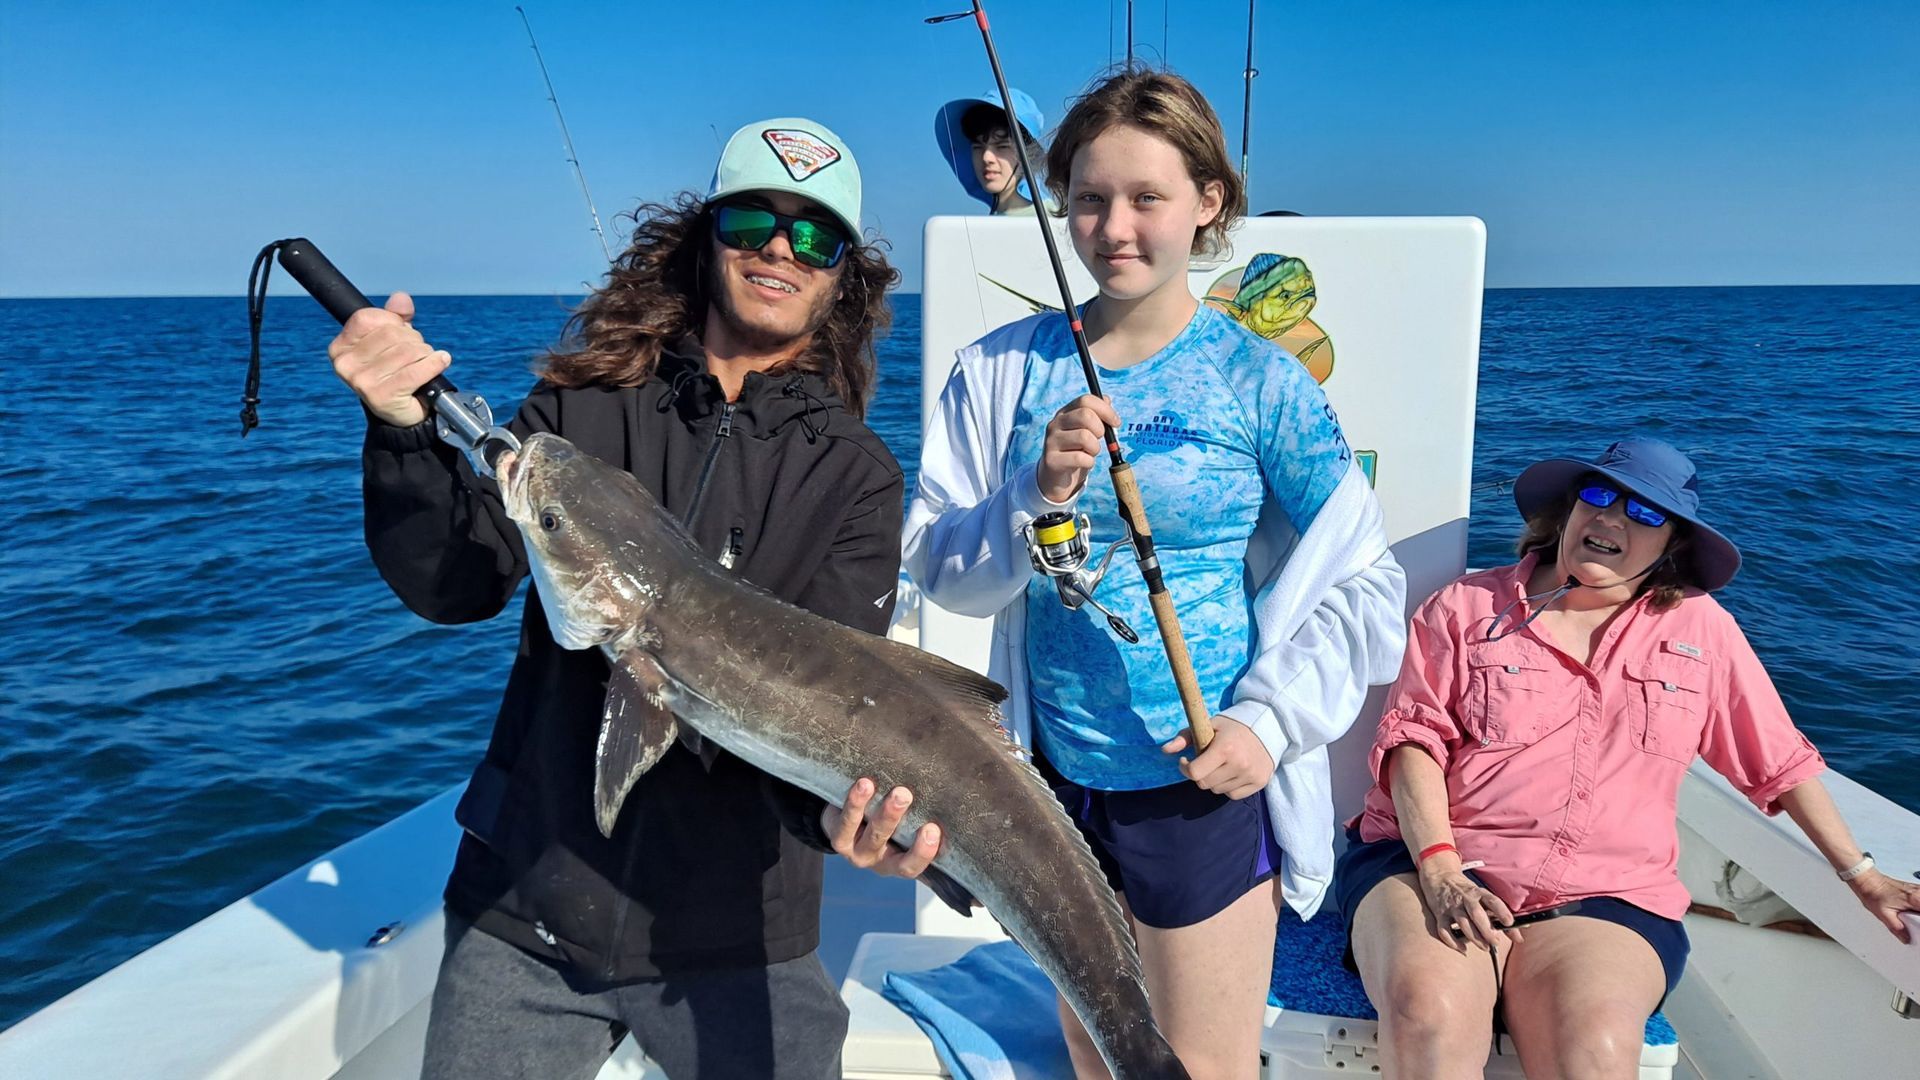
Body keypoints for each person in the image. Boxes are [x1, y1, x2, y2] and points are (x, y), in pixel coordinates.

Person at [327, 117, 942, 1080]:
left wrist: (838, 815)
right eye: (752, 222)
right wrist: (403, 436)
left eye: (814, 237)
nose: (780, 250)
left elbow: (835, 699)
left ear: (841, 276)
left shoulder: (855, 476)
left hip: (744, 931)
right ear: (707, 237)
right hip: (527, 907)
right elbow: (456, 585)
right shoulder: (577, 409)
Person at [904, 70, 1408, 1080]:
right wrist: (1030, 495)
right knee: (1094, 1052)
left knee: (1198, 1067)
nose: (1114, 226)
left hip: (1198, 786)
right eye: (1090, 198)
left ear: (1208, 203)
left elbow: (1366, 584)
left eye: (1147, 198)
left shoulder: (1262, 382)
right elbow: (941, 573)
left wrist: (1266, 726)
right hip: (1047, 783)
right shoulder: (997, 370)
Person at [1335, 436, 1920, 1079]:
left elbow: (1779, 760)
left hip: (1604, 893)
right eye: (1598, 495)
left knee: (1596, 1050)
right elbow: (1413, 742)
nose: (1611, 518)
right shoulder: (1467, 606)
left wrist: (1861, 875)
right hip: (1427, 865)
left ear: (1672, 544)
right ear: (1566, 511)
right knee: (1430, 1012)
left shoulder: (1702, 630)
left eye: (1645, 513)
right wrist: (1442, 872)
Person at [934, 87, 1048, 216]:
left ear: (1029, 155)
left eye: (1002, 146)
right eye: (977, 147)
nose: (986, 157)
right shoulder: (985, 225)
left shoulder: (1056, 221)